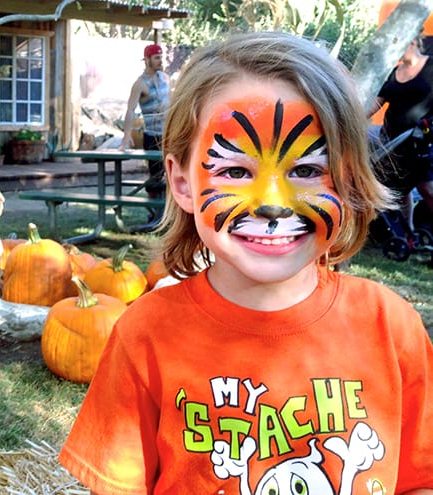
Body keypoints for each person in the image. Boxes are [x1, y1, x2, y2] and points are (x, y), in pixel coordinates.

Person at [59, 32, 433, 494]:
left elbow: (421, 479)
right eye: (235, 171)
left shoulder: (391, 329)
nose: (273, 204)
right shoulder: (145, 337)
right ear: (182, 183)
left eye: (307, 170)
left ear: (350, 178)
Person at [368, 34, 433, 232]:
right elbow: (375, 105)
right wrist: (347, 119)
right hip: (392, 141)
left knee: (427, 188)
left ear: (411, 42)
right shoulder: (394, 72)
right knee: (399, 190)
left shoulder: (430, 67)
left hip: (422, 141)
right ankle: (408, 232)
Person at [120, 43, 170, 200]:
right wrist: (126, 136)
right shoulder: (140, 84)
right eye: (156, 58)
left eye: (161, 57)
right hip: (153, 136)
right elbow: (130, 110)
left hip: (169, 135)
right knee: (155, 176)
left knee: (171, 174)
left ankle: (169, 216)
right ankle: (154, 213)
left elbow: (172, 101)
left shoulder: (165, 79)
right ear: (147, 60)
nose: (160, 61)